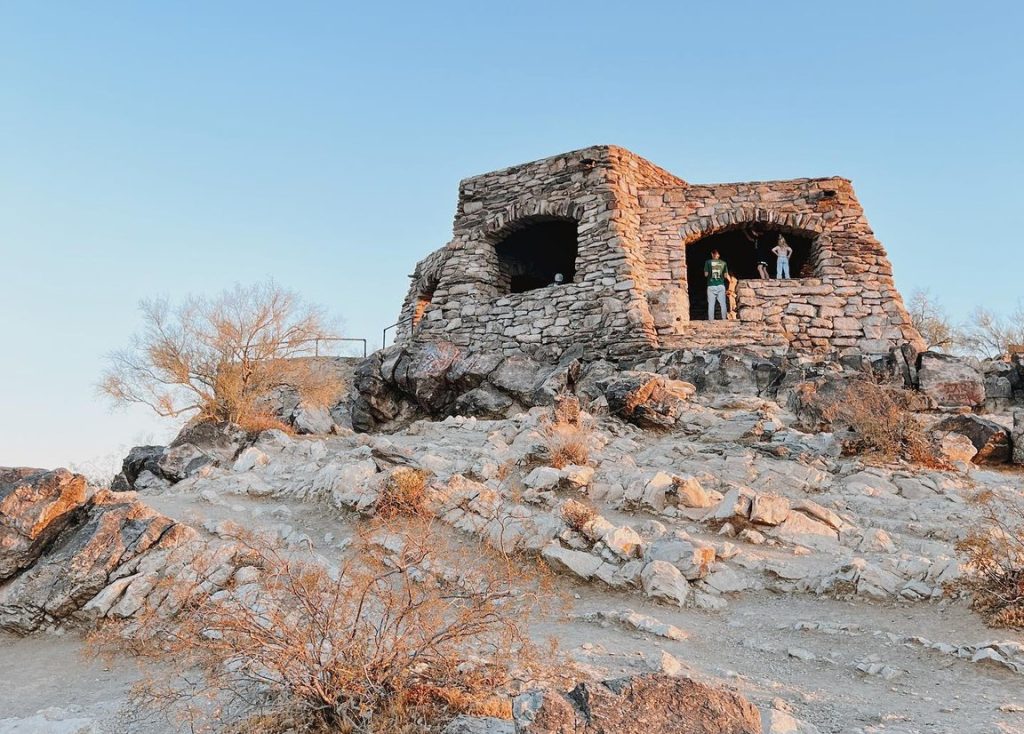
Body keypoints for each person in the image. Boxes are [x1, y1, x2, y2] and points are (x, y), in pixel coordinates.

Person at [704, 249, 729, 320]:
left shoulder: (708, 262)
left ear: (712, 254)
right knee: (723, 303)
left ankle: (711, 320)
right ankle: (724, 319)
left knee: (711, 304)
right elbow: (725, 275)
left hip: (711, 285)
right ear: (719, 255)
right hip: (721, 285)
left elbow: (706, 275)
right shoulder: (724, 263)